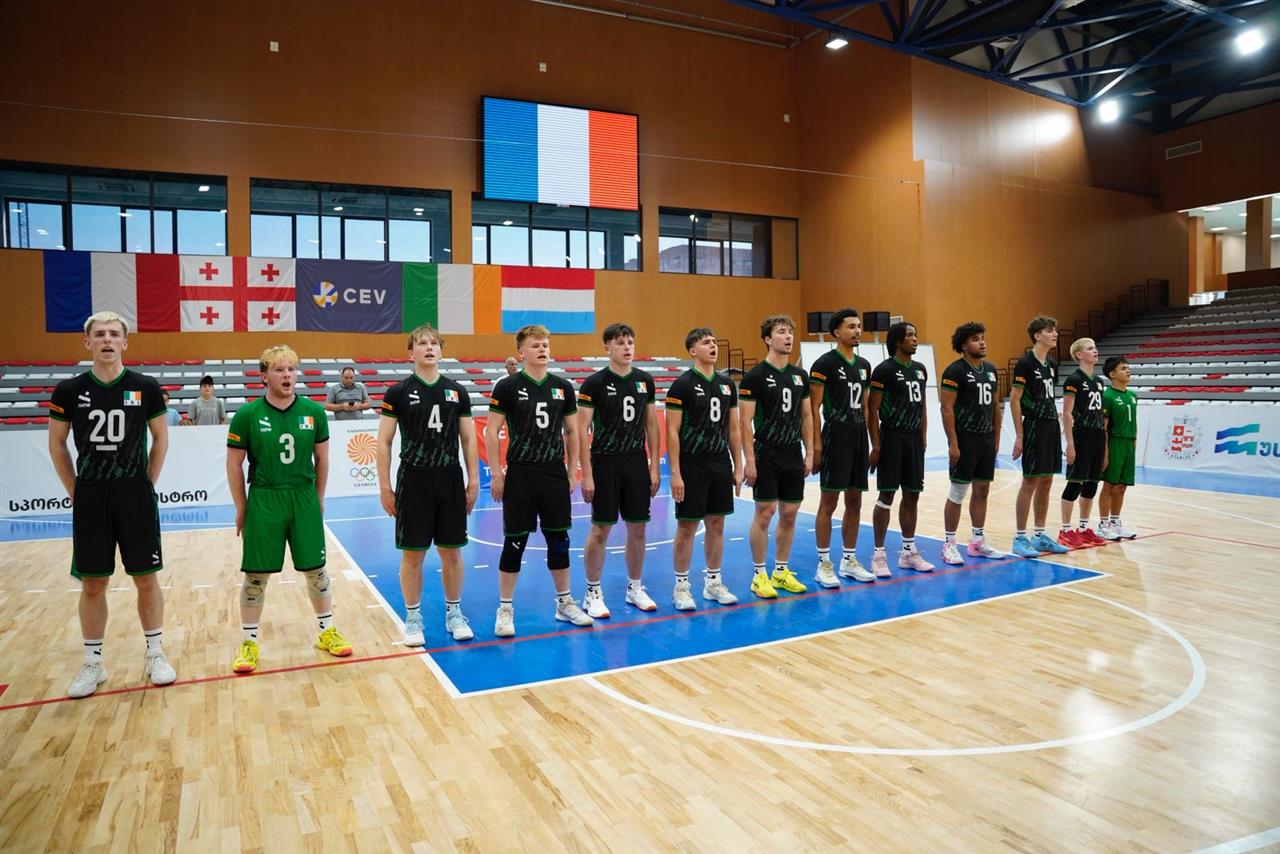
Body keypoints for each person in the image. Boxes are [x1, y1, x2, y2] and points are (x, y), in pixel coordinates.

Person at [48, 310, 175, 698]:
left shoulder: (145, 387)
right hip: (91, 495)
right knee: (92, 583)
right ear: (87, 342)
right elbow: (56, 443)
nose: (107, 339)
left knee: (146, 578)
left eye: (114, 334)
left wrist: (146, 483)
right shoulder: (69, 390)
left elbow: (161, 438)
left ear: (125, 342)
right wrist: (75, 489)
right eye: (99, 334)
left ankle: (155, 653)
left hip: (134, 493)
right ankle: (93, 663)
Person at [226, 344, 351, 673]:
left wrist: (319, 497)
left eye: (291, 369)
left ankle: (326, 631)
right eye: (279, 369)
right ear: (263, 376)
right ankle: (249, 642)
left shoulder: (314, 412)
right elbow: (234, 464)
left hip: (303, 495)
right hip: (265, 497)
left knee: (316, 569)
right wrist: (241, 506)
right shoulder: (247, 415)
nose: (287, 375)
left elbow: (323, 459)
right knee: (256, 575)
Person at [485, 325, 592, 636]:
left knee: (559, 540)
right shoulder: (507, 387)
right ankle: (505, 609)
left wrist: (572, 471)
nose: (542, 349)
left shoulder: (562, 386)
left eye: (545, 345)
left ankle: (564, 602)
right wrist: (497, 473)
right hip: (520, 474)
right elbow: (491, 431)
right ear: (521, 353)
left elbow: (572, 432)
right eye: (535, 345)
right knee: (514, 542)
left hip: (553, 473)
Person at [377, 324, 480, 644]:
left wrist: (473, 481)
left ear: (441, 351)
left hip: (449, 477)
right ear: (411, 353)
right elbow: (384, 442)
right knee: (413, 554)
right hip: (413, 479)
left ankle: (454, 613)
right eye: (422, 343)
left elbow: (469, 440)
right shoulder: (397, 392)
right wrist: (384, 487)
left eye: (434, 343)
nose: (429, 347)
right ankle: (413, 618)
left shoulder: (457, 391)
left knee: (452, 552)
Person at [577, 323, 661, 616]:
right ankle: (592, 592)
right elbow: (581, 430)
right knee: (601, 529)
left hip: (636, 461)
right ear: (607, 348)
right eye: (620, 342)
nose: (627, 347)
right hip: (605, 462)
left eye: (630, 342)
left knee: (638, 528)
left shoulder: (644, 381)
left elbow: (652, 424)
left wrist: (654, 466)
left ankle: (635, 588)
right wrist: (586, 474)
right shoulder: (594, 383)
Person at [665, 328, 743, 610]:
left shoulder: (726, 385)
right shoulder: (682, 385)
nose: (713, 346)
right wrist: (675, 472)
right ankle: (681, 587)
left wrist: (738, 465)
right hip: (692, 463)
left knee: (717, 524)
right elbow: (672, 431)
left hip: (719, 461)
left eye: (714, 342)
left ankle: (713, 583)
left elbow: (733, 428)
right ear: (692, 350)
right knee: (687, 526)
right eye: (706, 342)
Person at [740, 315, 812, 599]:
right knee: (765, 512)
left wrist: (810, 451)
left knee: (790, 513)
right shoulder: (755, 376)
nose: (788, 336)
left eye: (790, 332)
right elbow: (744, 422)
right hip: (766, 451)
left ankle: (781, 572)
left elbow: (807, 416)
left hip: (792, 451)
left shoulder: (800, 376)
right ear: (768, 339)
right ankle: (759, 575)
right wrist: (749, 460)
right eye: (781, 332)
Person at [809, 308, 874, 585]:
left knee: (855, 500)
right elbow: (813, 408)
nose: (857, 331)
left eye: (859, 326)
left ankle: (849, 560)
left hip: (858, 435)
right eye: (851, 326)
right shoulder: (824, 364)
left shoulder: (864, 365)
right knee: (829, 502)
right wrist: (816, 445)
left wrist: (871, 441)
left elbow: (867, 407)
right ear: (836, 332)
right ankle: (824, 563)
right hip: (835, 435)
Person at [867, 321, 936, 576]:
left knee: (912, 495)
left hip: (913, 440)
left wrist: (923, 436)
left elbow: (923, 406)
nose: (915, 339)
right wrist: (876, 445)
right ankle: (878, 554)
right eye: (909, 335)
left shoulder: (920, 369)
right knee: (886, 496)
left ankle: (908, 552)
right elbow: (872, 410)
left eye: (915, 335)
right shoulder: (884, 370)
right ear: (897, 341)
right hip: (892, 438)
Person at [938, 321, 1005, 565]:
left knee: (982, 490)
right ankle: (949, 544)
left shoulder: (991, 370)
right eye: (976, 339)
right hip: (965, 439)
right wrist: (953, 443)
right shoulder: (954, 371)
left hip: (985, 439)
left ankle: (977, 542)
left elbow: (995, 406)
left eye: (982, 337)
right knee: (958, 492)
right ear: (964, 345)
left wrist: (996, 438)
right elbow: (946, 409)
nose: (982, 342)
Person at [1010, 316, 1071, 557]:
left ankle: (1039, 535)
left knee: (1047, 481)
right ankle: (1019, 537)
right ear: (1037, 335)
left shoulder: (1052, 364)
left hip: (1050, 425)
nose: (1055, 334)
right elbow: (1015, 400)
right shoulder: (1025, 363)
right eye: (1049, 330)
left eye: (1055, 330)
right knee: (1030, 481)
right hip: (1034, 425)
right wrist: (1019, 435)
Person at [1058, 338, 1108, 548]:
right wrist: (1070, 444)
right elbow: (1067, 414)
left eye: (1095, 347)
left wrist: (1104, 446)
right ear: (1079, 355)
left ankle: (1084, 528)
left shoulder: (1099, 381)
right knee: (1075, 483)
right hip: (1081, 436)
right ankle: (1065, 530)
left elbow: (1101, 415)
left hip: (1097, 436)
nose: (1095, 350)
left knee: (1091, 484)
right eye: (1090, 348)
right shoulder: (1074, 379)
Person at [1099, 355, 1138, 540]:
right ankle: (1103, 525)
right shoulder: (1107, 396)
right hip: (1114, 443)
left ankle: (1115, 523)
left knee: (1122, 486)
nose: (1128, 370)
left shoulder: (1133, 395)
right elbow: (1104, 427)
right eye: (1123, 368)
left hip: (1129, 443)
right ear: (1112, 374)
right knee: (1110, 485)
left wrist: (1134, 443)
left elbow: (1134, 422)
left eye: (1128, 367)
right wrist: (1105, 452)